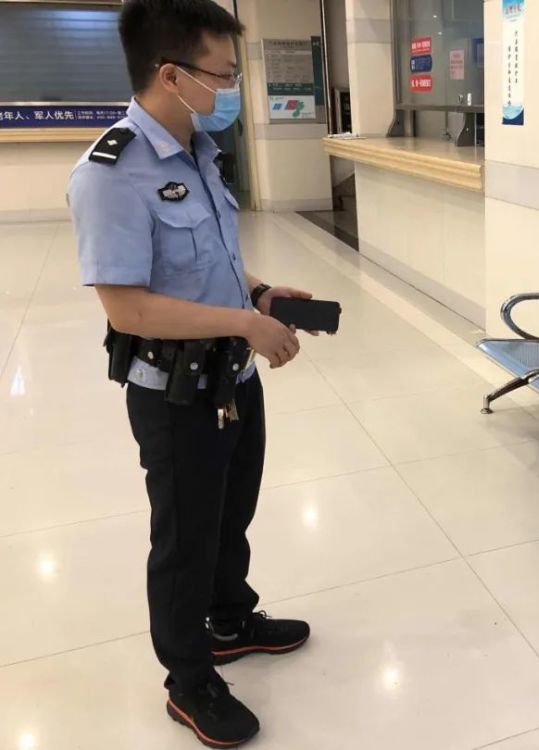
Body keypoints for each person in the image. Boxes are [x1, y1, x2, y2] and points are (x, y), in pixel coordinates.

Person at [67, 1, 316, 746]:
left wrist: (260, 294)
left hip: (233, 377)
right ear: (171, 74)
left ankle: (230, 620)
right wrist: (243, 323)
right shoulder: (110, 174)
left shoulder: (199, 150)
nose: (232, 89)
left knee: (230, 512)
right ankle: (189, 678)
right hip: (176, 395)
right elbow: (129, 308)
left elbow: (210, 263)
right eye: (224, 75)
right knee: (184, 537)